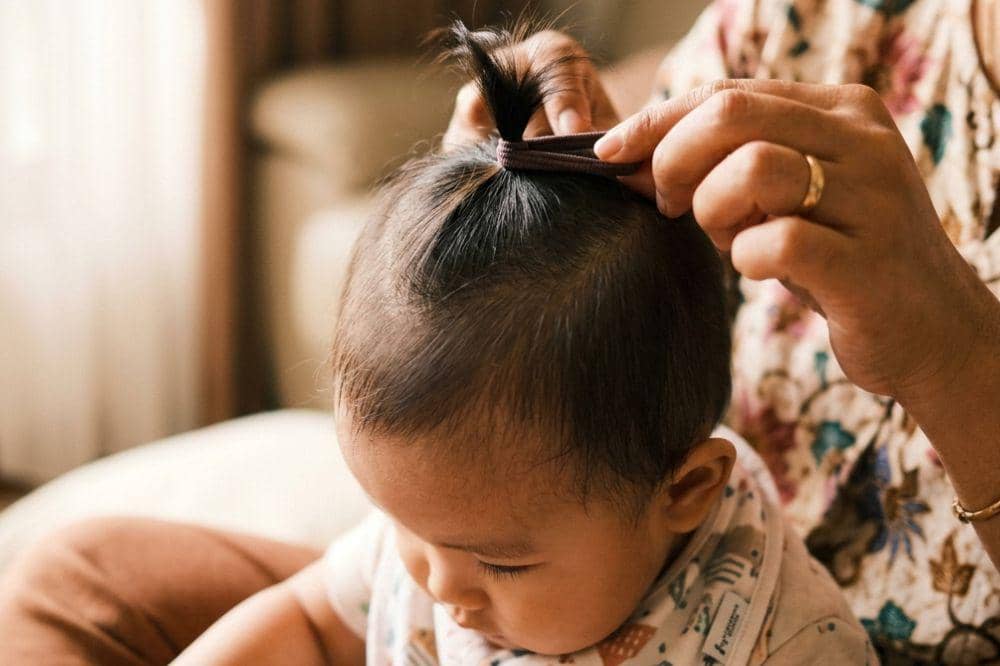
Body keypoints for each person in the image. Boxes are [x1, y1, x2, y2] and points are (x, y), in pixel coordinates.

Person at [0, 19, 878, 666]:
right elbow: (313, 620)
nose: (437, 589)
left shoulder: (786, 642)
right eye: (405, 528)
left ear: (684, 491)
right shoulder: (444, 551)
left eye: (500, 562)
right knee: (76, 572)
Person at [442, 0, 1000, 663]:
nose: (441, 593)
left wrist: (958, 361)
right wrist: (570, 173)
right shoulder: (798, 21)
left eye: (498, 561)